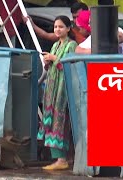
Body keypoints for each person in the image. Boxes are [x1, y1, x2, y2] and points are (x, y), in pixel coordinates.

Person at [37, 15, 77, 170]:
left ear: (68, 28)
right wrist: (48, 63)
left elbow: (71, 66)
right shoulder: (55, 45)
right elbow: (51, 68)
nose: (57, 29)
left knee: (61, 123)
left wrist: (55, 59)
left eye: (61, 27)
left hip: (63, 91)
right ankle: (59, 159)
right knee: (51, 121)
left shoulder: (71, 45)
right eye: (55, 27)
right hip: (52, 89)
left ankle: (62, 159)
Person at [22, 2, 89, 44]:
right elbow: (46, 35)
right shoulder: (70, 31)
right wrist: (32, 24)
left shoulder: (97, 29)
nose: (76, 20)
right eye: (74, 17)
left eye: (79, 17)